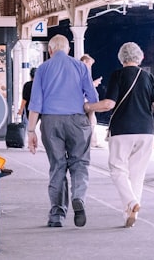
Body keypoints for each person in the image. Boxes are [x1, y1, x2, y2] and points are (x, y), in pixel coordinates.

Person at [26, 34, 100, 228]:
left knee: (57, 166)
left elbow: (35, 104)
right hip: (77, 120)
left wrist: (31, 131)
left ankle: (57, 214)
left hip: (51, 122)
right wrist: (89, 120)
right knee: (80, 163)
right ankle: (79, 198)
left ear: (50, 51)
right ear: (68, 50)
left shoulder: (42, 69)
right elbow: (92, 98)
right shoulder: (81, 66)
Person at [91, 42, 154, 228]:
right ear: (140, 57)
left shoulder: (118, 75)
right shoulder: (148, 77)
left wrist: (88, 107)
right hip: (146, 131)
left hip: (122, 130)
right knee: (136, 175)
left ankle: (131, 203)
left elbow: (108, 104)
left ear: (121, 57)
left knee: (117, 169)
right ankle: (130, 214)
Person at [79, 54, 103, 148]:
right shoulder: (81, 72)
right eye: (89, 64)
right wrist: (93, 84)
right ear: (84, 62)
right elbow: (83, 88)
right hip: (84, 103)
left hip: (84, 102)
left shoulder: (80, 72)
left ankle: (92, 141)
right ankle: (92, 142)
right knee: (91, 121)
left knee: (92, 120)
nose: (90, 67)